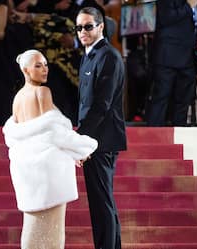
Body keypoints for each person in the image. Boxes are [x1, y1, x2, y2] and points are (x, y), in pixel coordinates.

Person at [2, 49, 98, 249]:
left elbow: (30, 134)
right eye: (38, 65)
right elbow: (54, 132)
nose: (45, 69)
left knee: (32, 226)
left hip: (26, 171)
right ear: (26, 70)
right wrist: (84, 148)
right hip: (48, 171)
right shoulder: (42, 92)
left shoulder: (17, 98)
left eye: (45, 64)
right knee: (52, 230)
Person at [75, 7, 127, 249]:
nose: (82, 32)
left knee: (102, 202)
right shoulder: (89, 54)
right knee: (100, 202)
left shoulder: (108, 56)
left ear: (101, 26)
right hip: (94, 138)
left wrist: (81, 140)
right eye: (78, 27)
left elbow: (101, 104)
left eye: (88, 26)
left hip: (101, 140)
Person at [146, 0, 197, 126]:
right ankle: (153, 137)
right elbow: (166, 18)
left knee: (184, 101)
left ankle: (178, 137)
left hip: (189, 56)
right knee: (161, 98)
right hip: (168, 56)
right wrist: (189, 6)